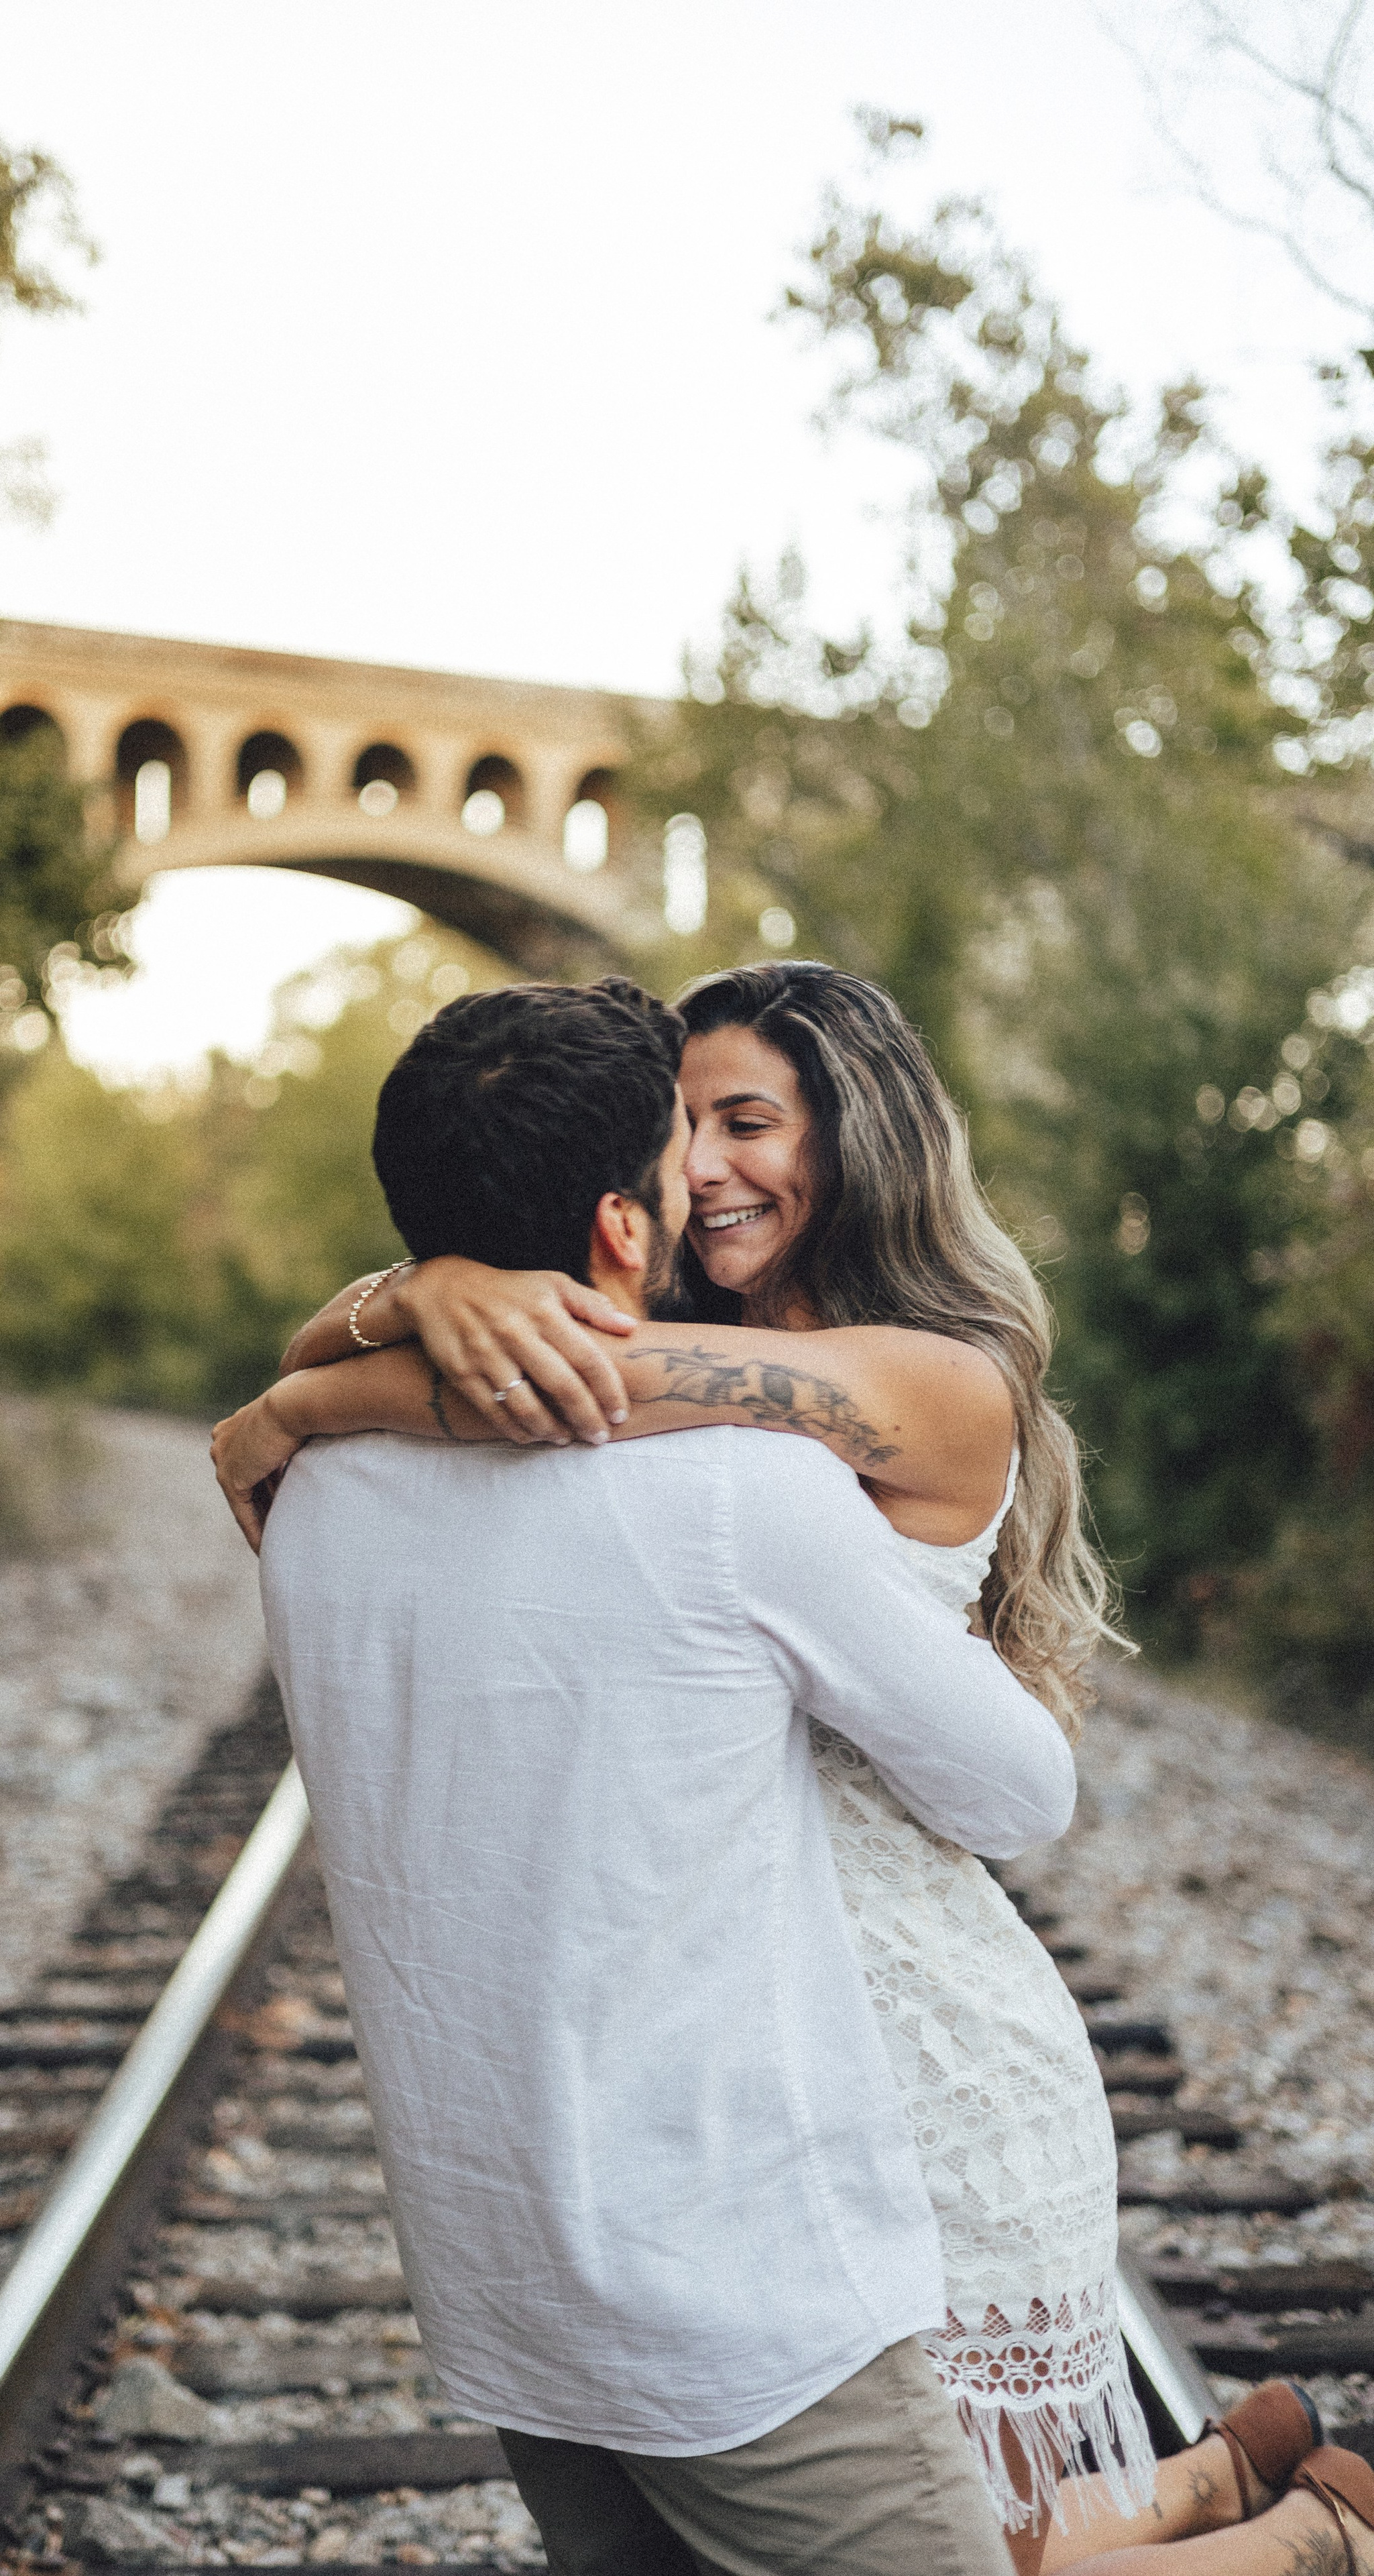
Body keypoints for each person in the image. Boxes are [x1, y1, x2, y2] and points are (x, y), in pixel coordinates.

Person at [218, 963, 1374, 2576]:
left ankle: (1308, 2537)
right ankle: (1207, 2495)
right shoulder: (664, 1353)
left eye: (744, 1121)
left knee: (971, 2541)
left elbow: (576, 1385)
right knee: (978, 2537)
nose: (701, 1164)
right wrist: (413, 1306)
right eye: (676, 1126)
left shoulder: (920, 1379)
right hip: (734, 2022)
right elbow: (558, 1375)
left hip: (897, 2036)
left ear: (856, 1145)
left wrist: (329, 1375)